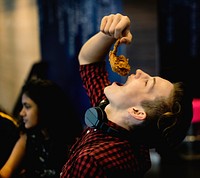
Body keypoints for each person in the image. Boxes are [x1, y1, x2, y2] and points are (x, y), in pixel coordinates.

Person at [60, 13, 193, 178]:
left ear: (137, 112)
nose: (139, 72)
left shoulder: (92, 161)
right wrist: (109, 34)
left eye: (147, 83)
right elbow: (89, 61)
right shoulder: (114, 115)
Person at [0, 78, 83, 178]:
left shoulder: (71, 143)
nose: (21, 113)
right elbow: (7, 170)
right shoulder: (28, 137)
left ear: (44, 107)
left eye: (27, 106)